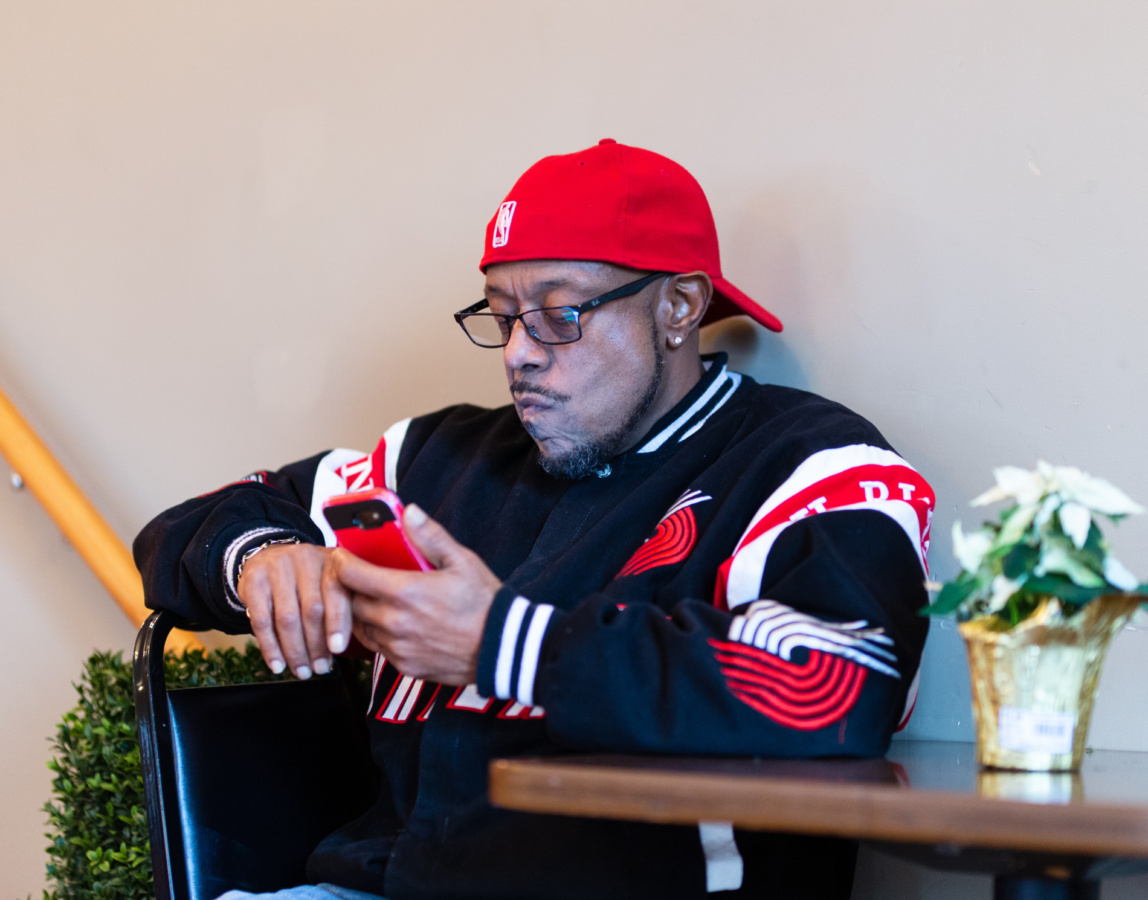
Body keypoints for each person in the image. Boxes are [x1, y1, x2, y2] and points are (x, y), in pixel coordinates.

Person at [134, 139, 934, 900]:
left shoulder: (807, 465)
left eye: (558, 314)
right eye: (503, 316)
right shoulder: (437, 459)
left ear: (679, 306)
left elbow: (835, 688)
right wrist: (263, 555)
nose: (519, 352)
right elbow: (193, 527)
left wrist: (502, 644)